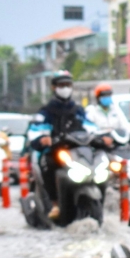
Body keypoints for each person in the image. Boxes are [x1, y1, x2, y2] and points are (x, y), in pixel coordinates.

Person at [28, 71, 91, 220]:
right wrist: (43, 139)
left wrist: (103, 137)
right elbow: (35, 131)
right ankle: (55, 203)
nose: (65, 88)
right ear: (54, 88)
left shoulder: (78, 110)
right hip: (55, 152)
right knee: (48, 164)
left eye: (68, 85)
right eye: (62, 85)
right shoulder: (46, 111)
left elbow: (91, 127)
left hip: (78, 152)